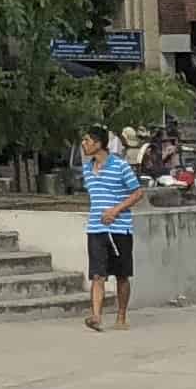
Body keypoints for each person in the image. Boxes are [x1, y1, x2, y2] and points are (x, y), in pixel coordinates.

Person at [77, 124, 146, 334]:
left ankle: (121, 315)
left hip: (120, 228)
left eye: (87, 140)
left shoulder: (120, 166)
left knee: (122, 274)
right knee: (97, 275)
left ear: (98, 144)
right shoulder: (87, 169)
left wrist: (115, 211)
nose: (84, 144)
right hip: (96, 228)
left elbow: (137, 193)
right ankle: (96, 316)